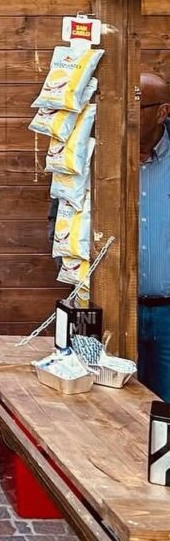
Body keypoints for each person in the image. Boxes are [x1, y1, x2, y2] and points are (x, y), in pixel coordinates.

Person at [138, 69, 170, 401]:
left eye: (137, 104)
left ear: (162, 112)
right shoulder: (98, 156)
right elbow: (60, 218)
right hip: (119, 310)